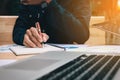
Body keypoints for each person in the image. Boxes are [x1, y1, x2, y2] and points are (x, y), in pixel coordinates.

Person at [13, 0, 91, 48]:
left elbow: (82, 34)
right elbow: (18, 30)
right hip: (33, 55)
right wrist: (25, 37)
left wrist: (50, 2)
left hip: (64, 59)